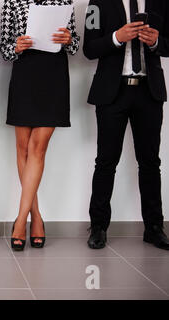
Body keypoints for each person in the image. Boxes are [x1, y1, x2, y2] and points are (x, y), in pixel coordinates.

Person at [84, 0, 169, 250]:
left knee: (151, 162)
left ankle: (154, 228)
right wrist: (117, 37)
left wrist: (155, 41)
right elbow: (89, 48)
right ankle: (98, 227)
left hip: (149, 92)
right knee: (106, 161)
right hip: (113, 93)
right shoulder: (98, 3)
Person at [0, 0, 79, 250]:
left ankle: (21, 221)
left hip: (53, 75)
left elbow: (76, 45)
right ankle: (37, 217)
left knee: (38, 148)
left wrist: (69, 40)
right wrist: (17, 46)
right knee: (22, 148)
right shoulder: (12, 2)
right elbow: (4, 49)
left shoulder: (65, 2)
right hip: (25, 73)